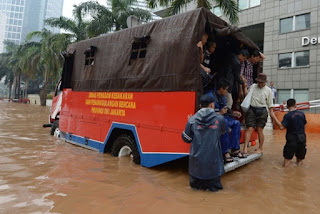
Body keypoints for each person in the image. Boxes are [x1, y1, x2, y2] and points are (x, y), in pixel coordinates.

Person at [182, 93, 226, 192]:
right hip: (213, 167)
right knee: (215, 194)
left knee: (194, 193)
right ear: (212, 105)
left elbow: (186, 139)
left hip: (196, 167)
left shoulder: (192, 120)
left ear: (200, 106)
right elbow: (222, 133)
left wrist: (188, 124)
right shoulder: (220, 119)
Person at [242, 73, 280, 156]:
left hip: (262, 111)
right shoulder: (253, 86)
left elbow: (270, 105)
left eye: (262, 82)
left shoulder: (268, 90)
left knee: (260, 130)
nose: (260, 84)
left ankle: (260, 148)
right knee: (250, 128)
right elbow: (247, 95)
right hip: (251, 109)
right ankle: (245, 149)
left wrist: (273, 117)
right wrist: (244, 87)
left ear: (265, 82)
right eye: (259, 82)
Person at [210, 81, 245, 162]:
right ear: (221, 89)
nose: (227, 92)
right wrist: (219, 113)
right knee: (224, 122)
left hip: (222, 117)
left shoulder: (222, 96)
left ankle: (235, 149)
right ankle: (225, 151)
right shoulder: (210, 96)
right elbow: (206, 112)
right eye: (226, 90)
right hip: (214, 118)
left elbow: (226, 110)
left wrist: (233, 113)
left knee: (236, 123)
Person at [275, 99, 307, 167]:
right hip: (302, 139)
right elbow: (304, 125)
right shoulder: (302, 114)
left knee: (287, 161)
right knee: (300, 161)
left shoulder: (288, 115)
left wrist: (273, 116)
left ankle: (286, 176)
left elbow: (281, 127)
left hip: (292, 139)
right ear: (295, 105)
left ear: (287, 106)